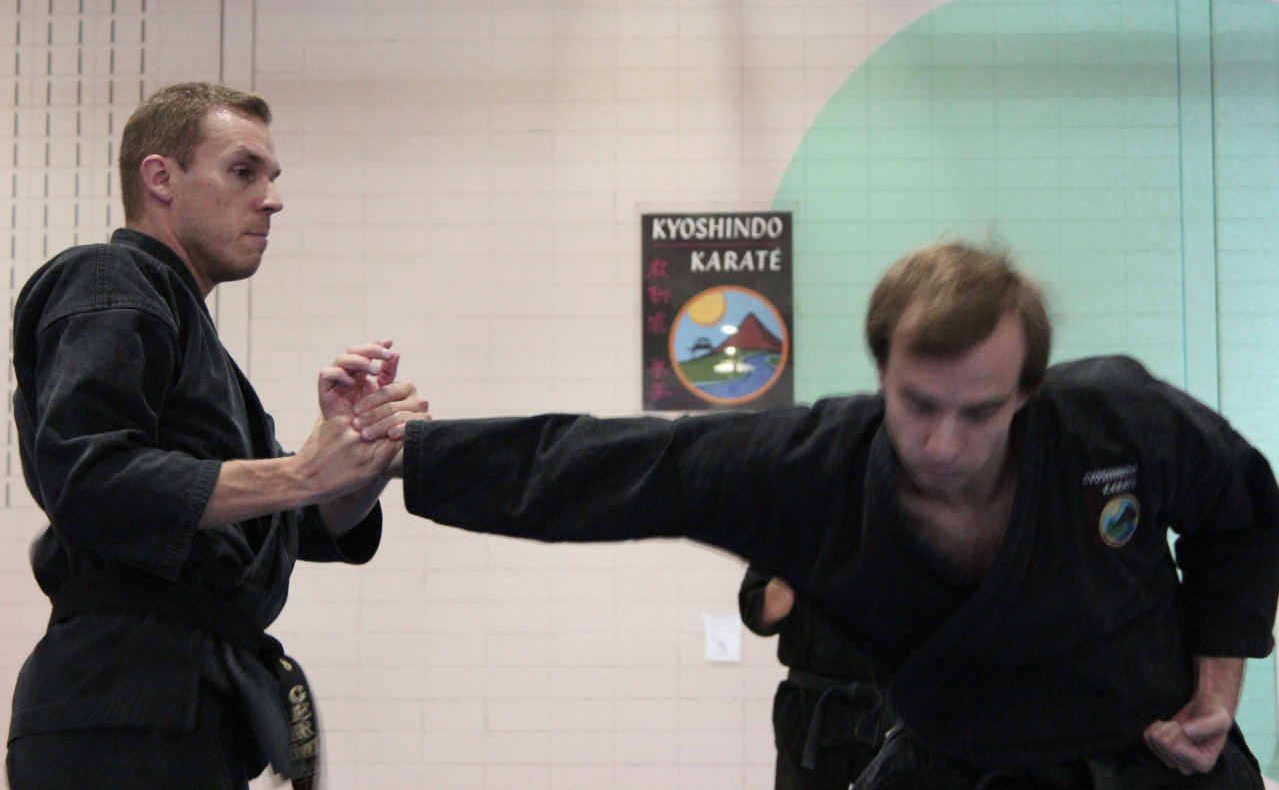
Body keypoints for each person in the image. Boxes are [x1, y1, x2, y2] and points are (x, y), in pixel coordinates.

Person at [360, 241, 1279, 788]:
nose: (945, 442)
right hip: (956, 766)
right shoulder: (813, 468)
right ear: (882, 371)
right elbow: (618, 463)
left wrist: (1216, 690)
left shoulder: (1118, 420)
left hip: (1147, 761)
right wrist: (402, 450)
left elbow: (1238, 514)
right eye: (918, 404)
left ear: (1028, 389)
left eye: (980, 411)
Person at [4, 82, 429, 790]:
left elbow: (286, 523)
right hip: (121, 704)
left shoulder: (199, 345)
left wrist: (361, 455)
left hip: (184, 706)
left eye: (272, 177)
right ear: (160, 177)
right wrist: (304, 472)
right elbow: (90, 481)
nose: (272, 199)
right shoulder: (107, 277)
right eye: (242, 171)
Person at [739, 567, 886, 789]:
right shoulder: (793, 543)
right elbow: (759, 615)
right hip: (809, 706)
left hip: (885, 707)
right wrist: (795, 559)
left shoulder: (902, 545)